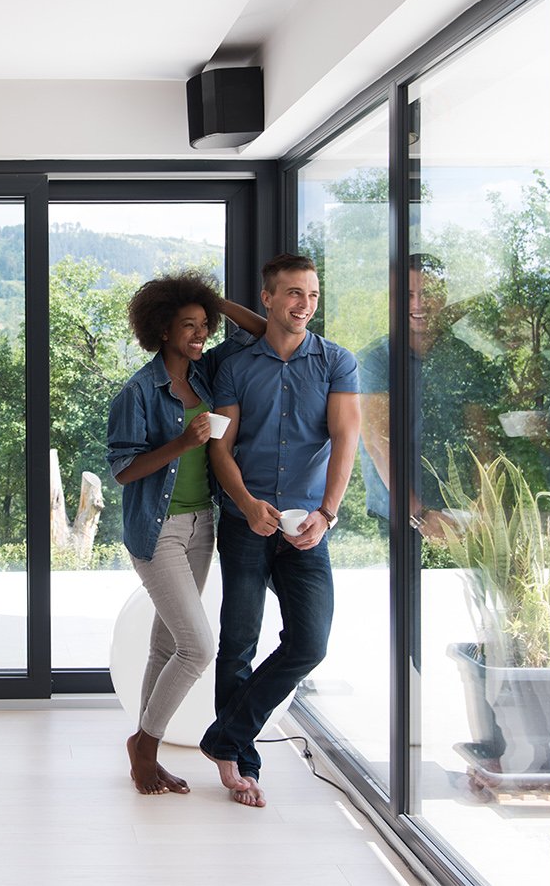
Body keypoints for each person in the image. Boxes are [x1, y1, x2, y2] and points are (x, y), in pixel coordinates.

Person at [200, 253, 360, 807]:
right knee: (238, 641)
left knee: (309, 642)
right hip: (247, 522)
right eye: (293, 293)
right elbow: (220, 446)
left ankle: (225, 735)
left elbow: (346, 441)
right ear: (267, 297)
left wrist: (328, 513)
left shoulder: (337, 363)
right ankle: (239, 763)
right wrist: (245, 503)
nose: (305, 305)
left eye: (313, 295)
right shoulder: (235, 366)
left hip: (308, 524)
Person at [106, 270, 266, 796]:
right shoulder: (138, 391)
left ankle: (141, 747)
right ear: (161, 329)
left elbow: (258, 332)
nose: (200, 335)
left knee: (166, 644)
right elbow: (124, 470)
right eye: (188, 326)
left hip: (202, 526)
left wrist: (207, 299)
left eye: (204, 326)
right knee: (198, 648)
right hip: (158, 531)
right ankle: (145, 749)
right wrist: (183, 441)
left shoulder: (205, 373)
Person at [357, 253, 504, 540]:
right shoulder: (374, 360)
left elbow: (480, 436)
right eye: (408, 294)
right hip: (399, 513)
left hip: (460, 511)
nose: (418, 304)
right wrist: (419, 515)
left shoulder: (465, 359)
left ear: (444, 294)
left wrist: (487, 500)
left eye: (428, 294)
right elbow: (377, 443)